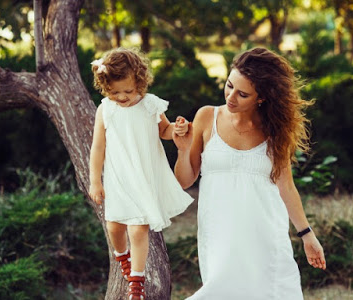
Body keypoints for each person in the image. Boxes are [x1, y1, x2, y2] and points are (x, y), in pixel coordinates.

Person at [173, 47, 326, 300]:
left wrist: (307, 235)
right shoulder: (206, 117)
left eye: (242, 94)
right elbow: (184, 180)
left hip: (265, 235)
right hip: (219, 234)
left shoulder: (275, 132)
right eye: (229, 85)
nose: (231, 97)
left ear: (261, 98)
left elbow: (286, 186)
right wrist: (183, 149)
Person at [89, 48, 193, 300]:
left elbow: (164, 130)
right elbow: (98, 146)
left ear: (140, 82)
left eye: (128, 91)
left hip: (144, 177)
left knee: (137, 230)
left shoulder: (150, 105)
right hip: (118, 178)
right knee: (114, 226)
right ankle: (121, 256)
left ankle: (137, 282)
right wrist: (95, 181)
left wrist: (176, 130)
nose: (122, 97)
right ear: (105, 87)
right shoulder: (106, 110)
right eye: (115, 92)